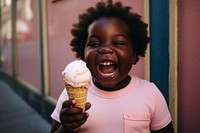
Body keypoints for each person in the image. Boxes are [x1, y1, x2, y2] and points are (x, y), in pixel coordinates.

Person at [50, 0, 174, 132]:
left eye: (118, 42)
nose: (105, 49)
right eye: (94, 44)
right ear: (83, 56)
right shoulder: (69, 96)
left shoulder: (150, 93)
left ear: (134, 55)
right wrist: (66, 128)